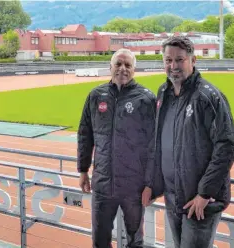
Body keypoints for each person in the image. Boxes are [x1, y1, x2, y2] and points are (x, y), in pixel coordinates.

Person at [155, 36, 234, 248]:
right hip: (172, 197)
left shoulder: (208, 96)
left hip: (199, 201)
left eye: (180, 60)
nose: (173, 66)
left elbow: (228, 144)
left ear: (193, 61)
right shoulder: (163, 93)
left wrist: (205, 193)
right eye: (168, 60)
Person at [77, 48, 157, 248]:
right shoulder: (95, 96)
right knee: (100, 239)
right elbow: (85, 135)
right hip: (102, 183)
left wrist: (151, 183)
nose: (122, 69)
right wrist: (83, 170)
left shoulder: (146, 99)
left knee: (135, 241)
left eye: (127, 65)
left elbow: (155, 146)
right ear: (110, 67)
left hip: (134, 186)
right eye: (118, 64)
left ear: (134, 69)